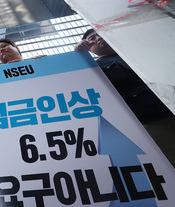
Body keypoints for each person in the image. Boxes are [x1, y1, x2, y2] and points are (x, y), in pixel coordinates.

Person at [75, 28, 175, 166]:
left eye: (100, 34)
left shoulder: (140, 51)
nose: (98, 38)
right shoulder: (93, 68)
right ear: (89, 48)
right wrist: (78, 57)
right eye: (92, 38)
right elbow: (75, 85)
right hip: (153, 119)